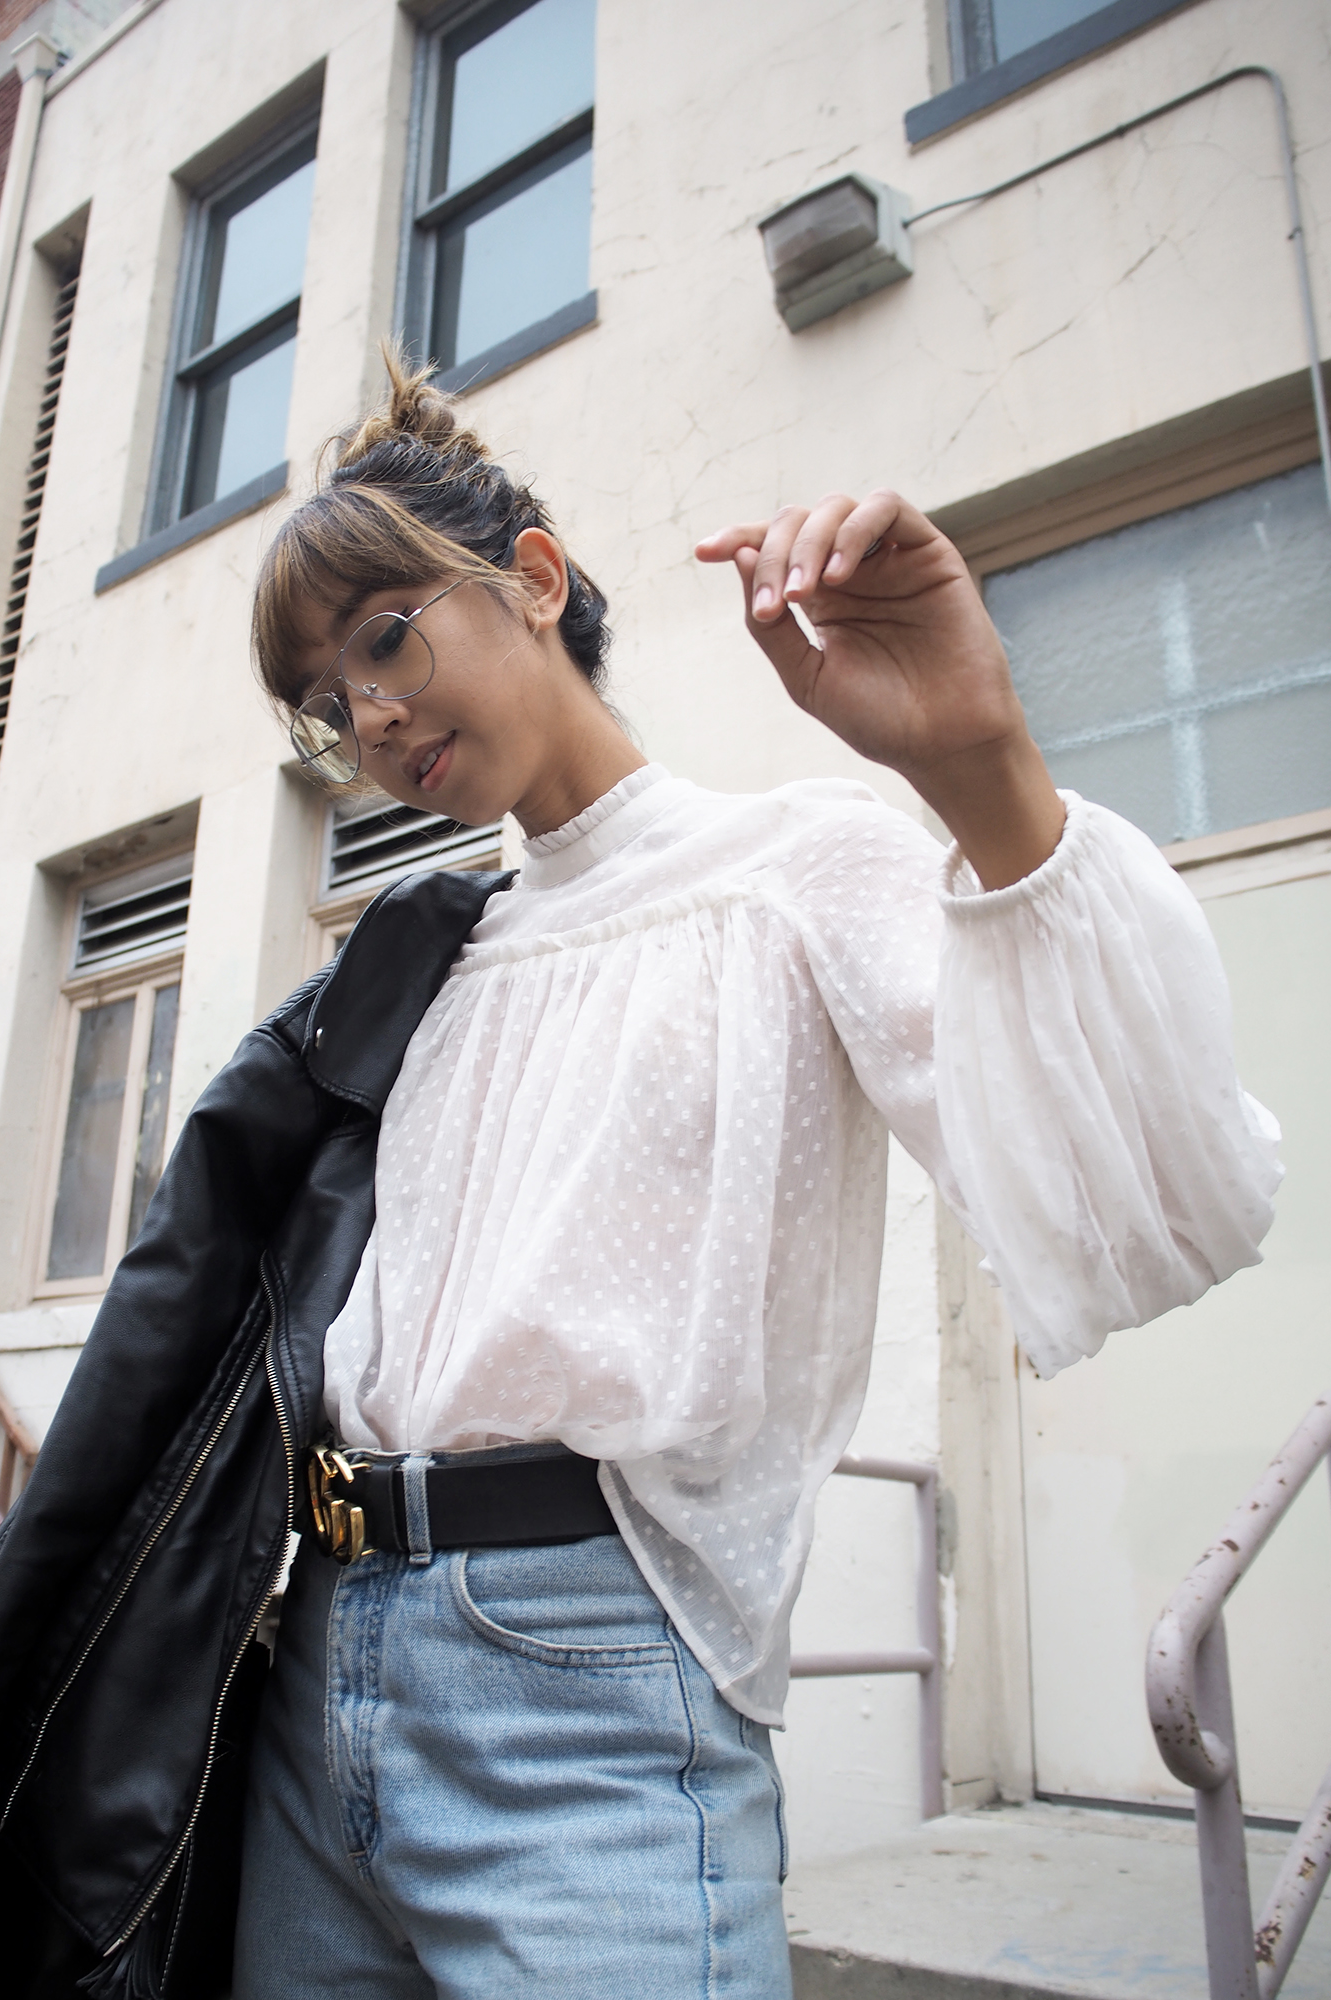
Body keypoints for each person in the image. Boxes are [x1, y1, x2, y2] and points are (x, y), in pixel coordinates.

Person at [230, 354, 1282, 1999]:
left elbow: (1140, 1194)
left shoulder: (798, 870)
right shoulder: (426, 960)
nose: (366, 715)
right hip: (311, 1673)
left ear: (533, 579)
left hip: (585, 1693)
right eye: (325, 693)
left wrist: (976, 753)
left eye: (385, 636)